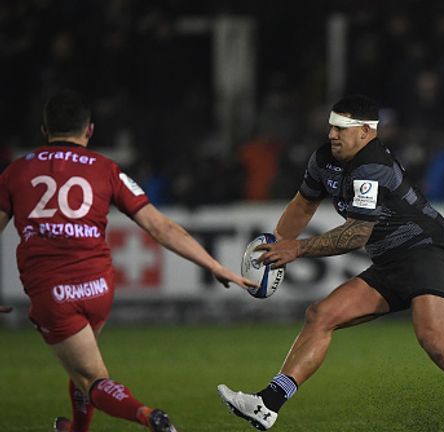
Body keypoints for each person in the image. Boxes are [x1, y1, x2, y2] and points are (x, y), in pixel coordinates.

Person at [216, 94, 444, 432]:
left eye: (341, 128)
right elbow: (302, 205)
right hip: (391, 261)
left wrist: (298, 249)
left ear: (367, 132)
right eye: (331, 127)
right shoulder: (324, 159)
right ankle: (268, 404)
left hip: (427, 251)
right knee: (321, 315)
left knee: (438, 343)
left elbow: (356, 235)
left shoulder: (373, 165)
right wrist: (277, 245)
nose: (332, 134)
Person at [0, 89, 255, 432]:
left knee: (92, 377)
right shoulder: (106, 169)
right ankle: (78, 429)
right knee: (83, 365)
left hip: (53, 291)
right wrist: (214, 265)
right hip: (99, 285)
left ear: (44, 131)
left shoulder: (15, 173)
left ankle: (149, 417)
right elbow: (159, 226)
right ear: (89, 130)